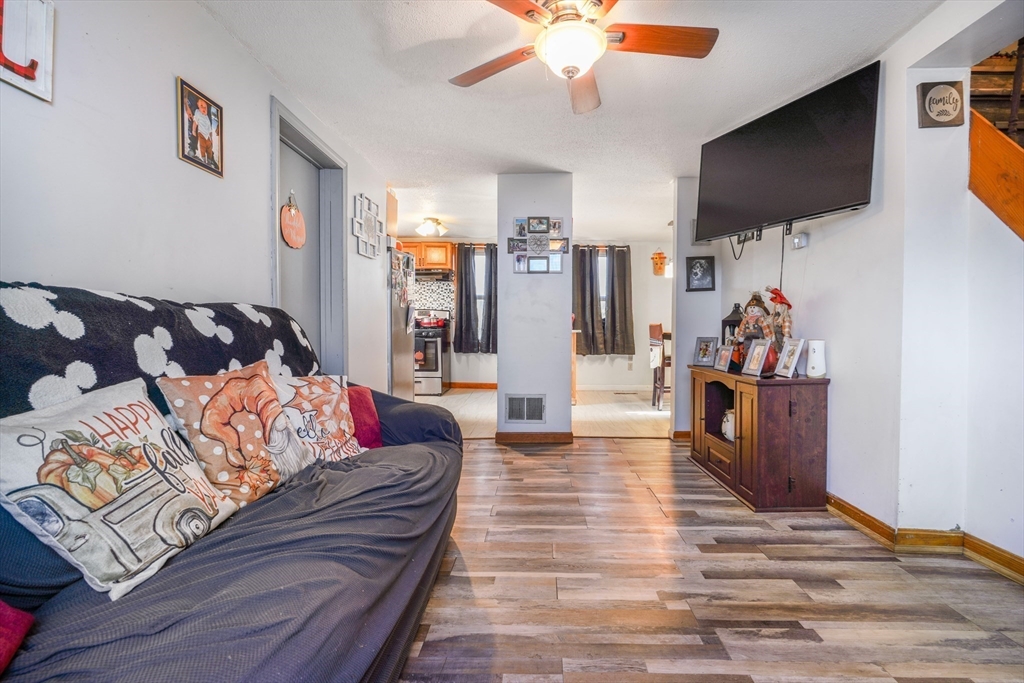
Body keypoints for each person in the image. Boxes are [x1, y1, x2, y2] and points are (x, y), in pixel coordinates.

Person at [191, 98, 217, 169]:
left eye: (205, 107)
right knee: (202, 146)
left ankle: (209, 160)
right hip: (201, 133)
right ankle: (203, 158)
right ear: (198, 106)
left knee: (209, 148)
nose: (203, 108)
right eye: (201, 106)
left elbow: (209, 128)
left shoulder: (207, 117)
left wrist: (211, 138)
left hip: (208, 135)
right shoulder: (197, 112)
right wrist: (193, 130)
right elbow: (195, 122)